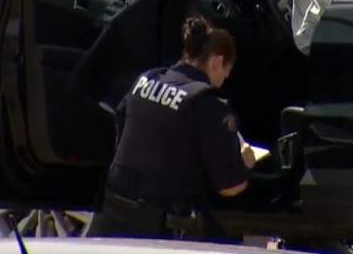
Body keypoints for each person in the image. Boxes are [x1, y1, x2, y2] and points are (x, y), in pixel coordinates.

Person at [88, 16, 257, 240]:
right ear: (217, 62)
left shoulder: (146, 79)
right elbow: (231, 186)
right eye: (226, 71)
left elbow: (121, 132)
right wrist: (245, 162)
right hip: (159, 228)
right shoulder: (207, 103)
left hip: (110, 215)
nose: (225, 78)